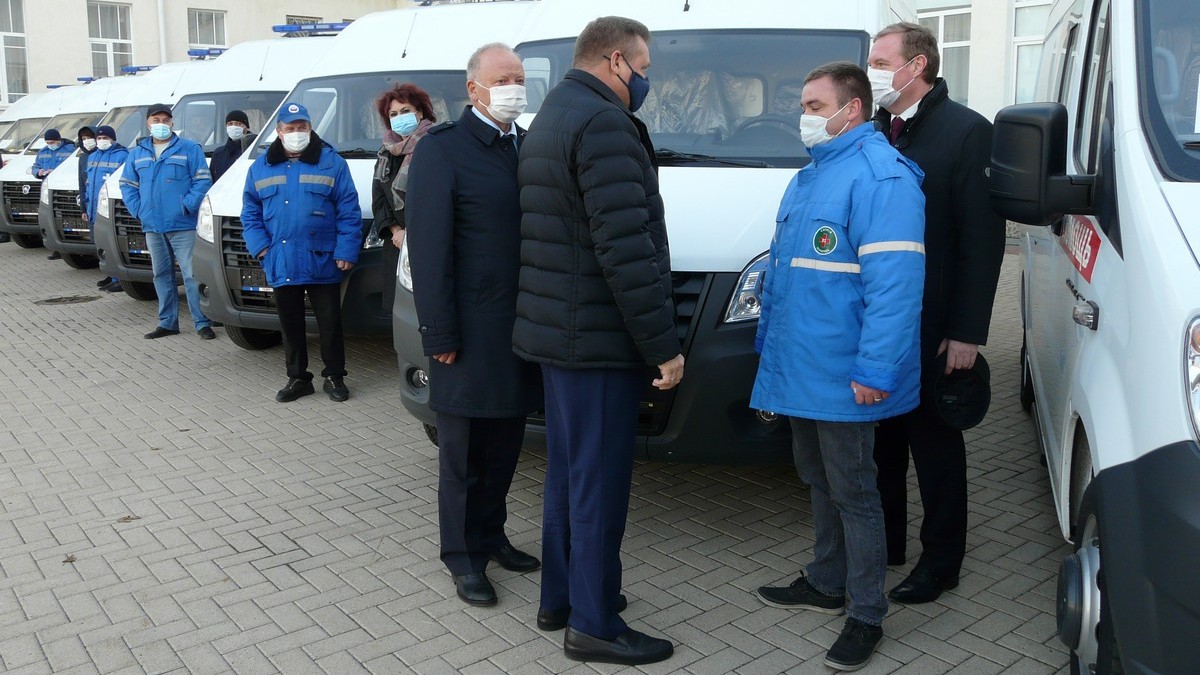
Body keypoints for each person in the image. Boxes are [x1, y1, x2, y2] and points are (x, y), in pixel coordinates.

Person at [512, 16, 683, 667]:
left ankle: (563, 594)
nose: (646, 80)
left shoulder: (555, 112)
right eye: (644, 68)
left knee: (570, 475)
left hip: (562, 335)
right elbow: (626, 250)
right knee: (599, 484)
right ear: (617, 61)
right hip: (597, 339)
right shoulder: (604, 123)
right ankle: (594, 624)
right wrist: (662, 345)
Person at [752, 61, 926, 671]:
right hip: (801, 369)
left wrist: (876, 371)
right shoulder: (811, 176)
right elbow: (784, 278)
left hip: (847, 375)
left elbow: (896, 289)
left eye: (814, 104)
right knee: (817, 476)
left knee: (856, 492)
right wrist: (768, 351)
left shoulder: (884, 179)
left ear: (851, 109)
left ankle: (866, 613)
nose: (804, 116)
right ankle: (826, 581)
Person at [867, 22, 1006, 605]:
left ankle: (942, 561)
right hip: (883, 324)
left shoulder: (967, 132)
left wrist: (967, 333)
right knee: (883, 445)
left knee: (936, 447)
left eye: (880, 60)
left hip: (934, 325)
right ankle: (886, 546)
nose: (870, 70)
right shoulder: (875, 130)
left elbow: (983, 241)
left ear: (916, 66)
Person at [406, 44, 542, 609]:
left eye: (519, 77)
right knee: (463, 455)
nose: (513, 86)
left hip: (518, 330)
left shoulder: (526, 146)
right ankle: (462, 557)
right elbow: (430, 252)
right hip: (466, 333)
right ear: (474, 89)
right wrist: (438, 334)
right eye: (502, 78)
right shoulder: (444, 150)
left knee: (506, 446)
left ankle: (492, 535)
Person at [241, 103, 362, 403]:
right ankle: (298, 378)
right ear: (279, 132)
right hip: (280, 259)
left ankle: (334, 376)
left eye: (302, 127)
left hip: (323, 257)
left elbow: (349, 210)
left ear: (310, 128)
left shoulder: (331, 163)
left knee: (330, 323)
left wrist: (346, 249)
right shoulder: (260, 167)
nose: (297, 133)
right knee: (290, 324)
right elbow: (250, 213)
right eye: (290, 128)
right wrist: (262, 248)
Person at [119, 104, 216, 341]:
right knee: (161, 274)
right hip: (152, 225)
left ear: (172, 123)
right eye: (156, 119)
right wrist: (139, 211)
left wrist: (186, 206)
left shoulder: (189, 148)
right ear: (148, 123)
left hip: (182, 224)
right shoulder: (137, 153)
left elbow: (203, 181)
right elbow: (127, 185)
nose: (160, 123)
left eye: (165, 119)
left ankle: (202, 322)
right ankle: (168, 322)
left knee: (191, 274)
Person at [371, 83, 436, 317]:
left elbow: (436, 197)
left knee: (427, 307)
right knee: (399, 310)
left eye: (405, 111)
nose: (400, 118)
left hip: (426, 240)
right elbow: (378, 195)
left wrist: (410, 231)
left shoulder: (435, 144)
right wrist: (396, 229)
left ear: (419, 112)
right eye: (394, 114)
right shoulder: (386, 151)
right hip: (396, 243)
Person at [82, 126, 127, 292]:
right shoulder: (93, 156)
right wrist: (86, 207)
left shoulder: (122, 155)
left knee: (112, 242)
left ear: (112, 139)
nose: (101, 141)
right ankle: (110, 273)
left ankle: (119, 278)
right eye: (99, 138)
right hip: (94, 208)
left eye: (105, 138)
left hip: (109, 208)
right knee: (100, 243)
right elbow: (89, 184)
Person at [211, 110, 255, 183]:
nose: (233, 127)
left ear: (246, 127)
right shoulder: (218, 153)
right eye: (230, 124)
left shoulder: (253, 150)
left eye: (239, 124)